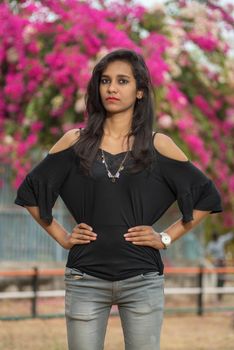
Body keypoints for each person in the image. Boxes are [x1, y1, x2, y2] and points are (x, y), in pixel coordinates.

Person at [15, 49, 223, 350]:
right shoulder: (75, 141)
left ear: (140, 91)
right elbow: (32, 189)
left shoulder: (158, 145)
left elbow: (206, 196)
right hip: (85, 279)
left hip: (143, 280)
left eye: (122, 81)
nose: (112, 88)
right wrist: (62, 237)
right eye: (105, 80)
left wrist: (165, 237)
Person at [206, 231, 233, 300]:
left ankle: (220, 296)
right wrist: (214, 260)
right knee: (217, 279)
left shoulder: (221, 239)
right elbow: (207, 254)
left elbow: (229, 236)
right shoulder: (211, 244)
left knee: (223, 279)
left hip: (223, 263)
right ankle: (217, 296)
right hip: (216, 264)